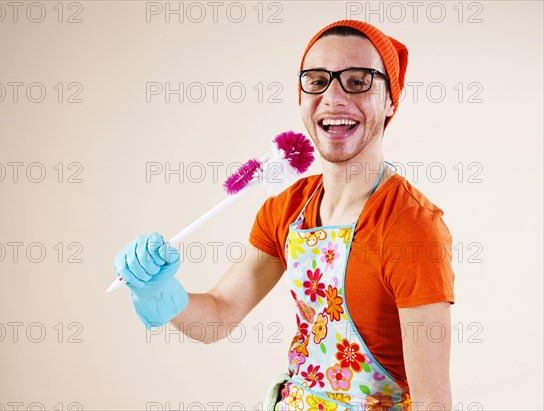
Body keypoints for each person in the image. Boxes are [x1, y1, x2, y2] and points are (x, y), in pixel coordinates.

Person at [114, 20, 455, 411]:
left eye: (358, 82)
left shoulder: (411, 227)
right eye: (317, 80)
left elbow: (433, 404)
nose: (333, 97)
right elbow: (219, 315)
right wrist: (160, 293)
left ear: (391, 100)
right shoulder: (288, 208)